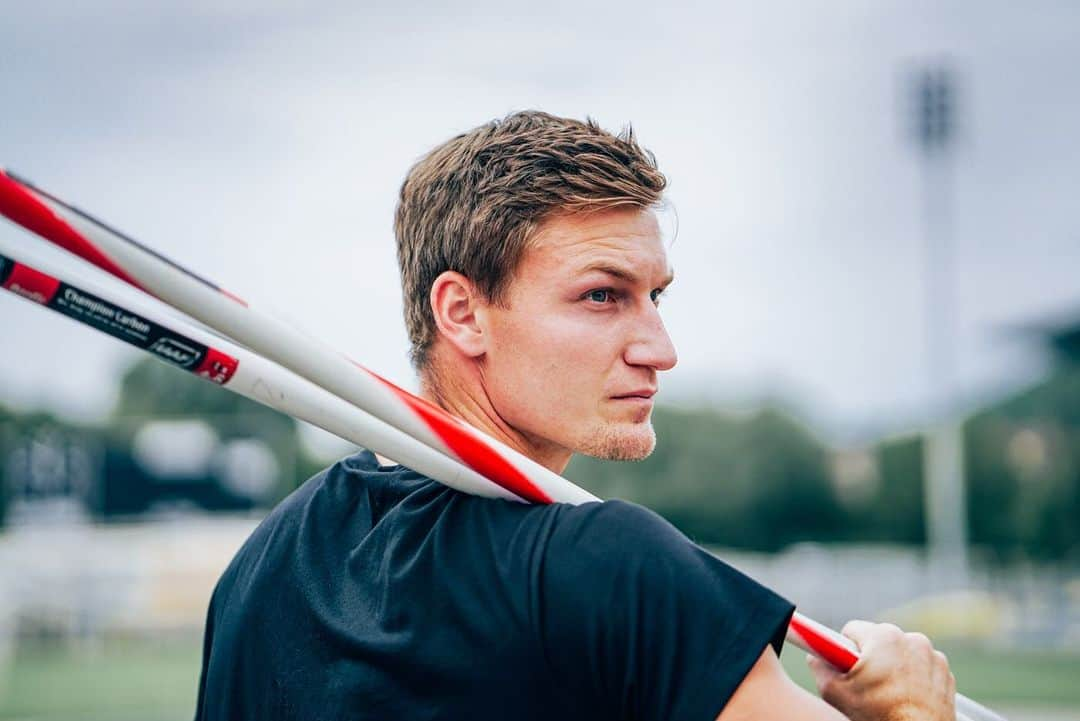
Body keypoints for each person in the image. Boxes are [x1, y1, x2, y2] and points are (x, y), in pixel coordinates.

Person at [194, 111, 955, 720]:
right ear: (463, 312)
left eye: (655, 296)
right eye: (603, 294)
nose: (660, 348)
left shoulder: (259, 568)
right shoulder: (621, 571)